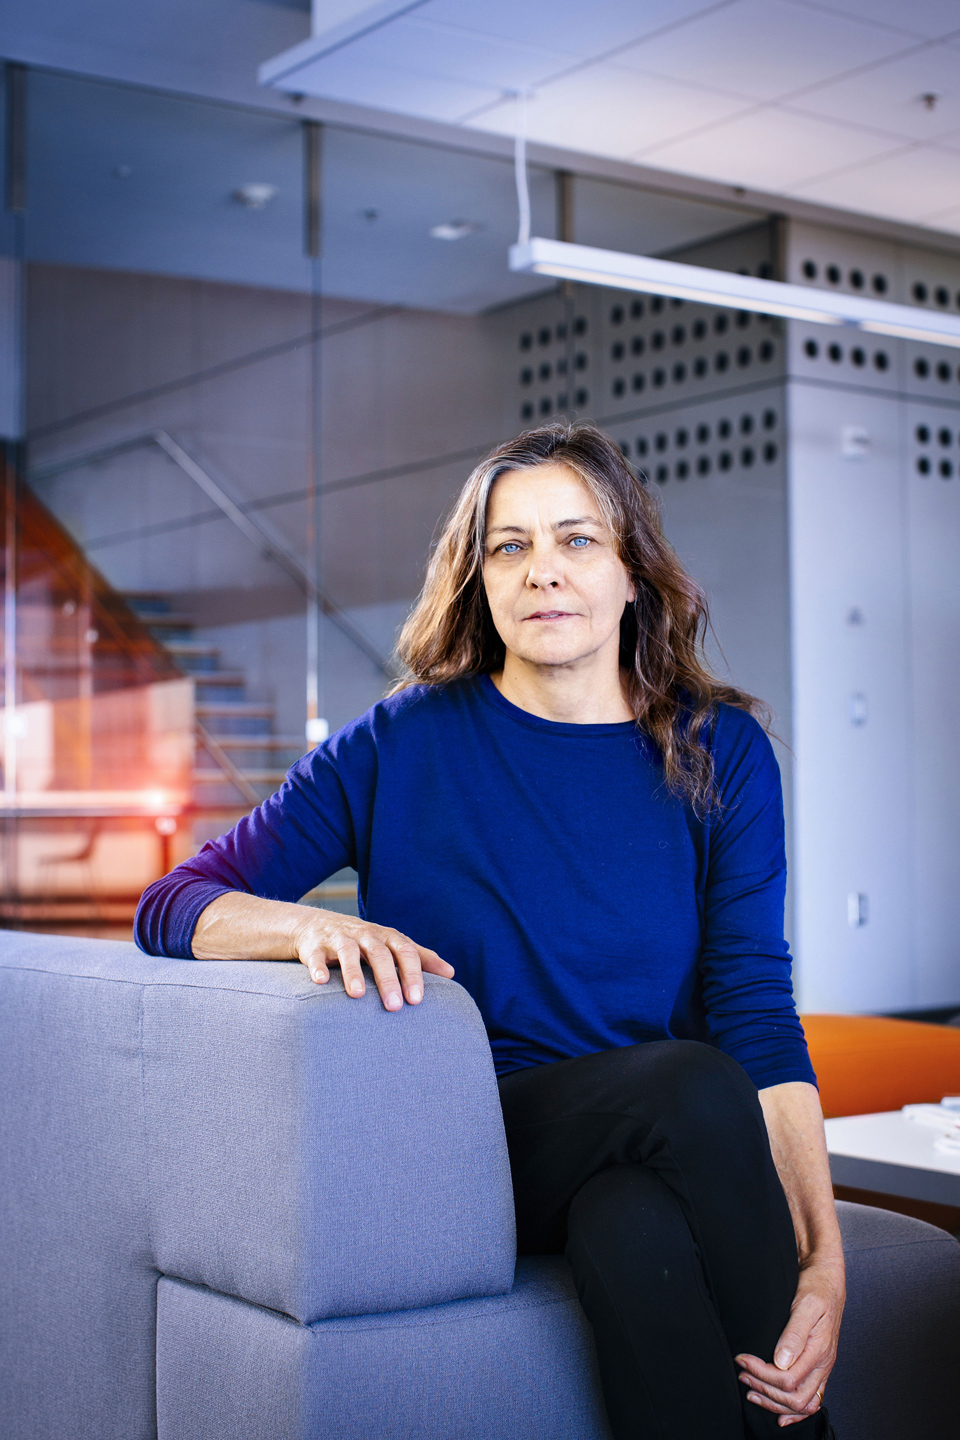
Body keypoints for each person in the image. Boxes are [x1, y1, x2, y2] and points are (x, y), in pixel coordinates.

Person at [136, 422, 844, 1440]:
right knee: (688, 1080)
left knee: (630, 1230)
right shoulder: (403, 740)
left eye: (576, 542)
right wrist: (298, 931)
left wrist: (825, 1264)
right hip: (470, 1139)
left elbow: (756, 1009)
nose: (542, 573)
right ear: (478, 579)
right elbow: (176, 902)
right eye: (509, 547)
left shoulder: (719, 750)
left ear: (635, 573)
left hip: (645, 1153)